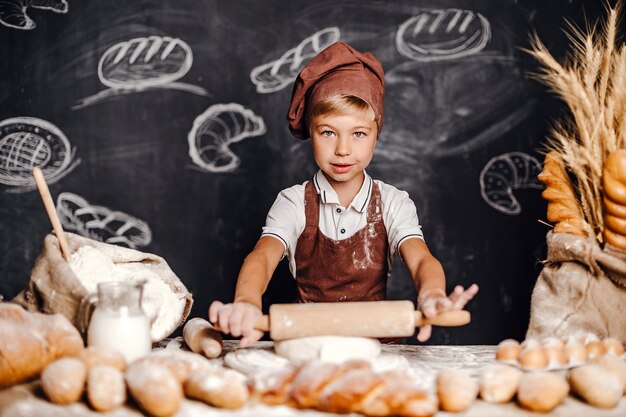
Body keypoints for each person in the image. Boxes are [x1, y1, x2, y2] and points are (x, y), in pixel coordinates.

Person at [209, 41, 478, 347]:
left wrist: (432, 294)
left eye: (358, 134)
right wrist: (246, 301)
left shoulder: (392, 202)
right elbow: (263, 256)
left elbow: (421, 260)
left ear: (376, 136)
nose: (343, 149)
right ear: (311, 133)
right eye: (328, 132)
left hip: (379, 350)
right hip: (306, 346)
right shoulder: (294, 202)